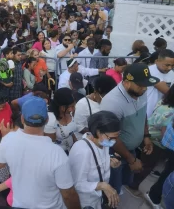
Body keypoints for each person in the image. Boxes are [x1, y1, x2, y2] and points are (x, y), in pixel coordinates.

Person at [0, 97, 81, 209]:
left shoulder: (8, 139)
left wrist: (3, 138)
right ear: (46, 120)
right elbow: (68, 194)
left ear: (22, 119)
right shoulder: (57, 153)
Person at [100, 63, 159, 194]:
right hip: (115, 153)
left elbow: (142, 114)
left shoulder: (140, 92)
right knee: (113, 187)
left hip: (130, 150)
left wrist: (146, 136)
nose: (144, 89)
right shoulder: (112, 103)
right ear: (126, 83)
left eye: (146, 85)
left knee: (124, 180)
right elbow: (110, 138)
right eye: (140, 85)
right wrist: (131, 159)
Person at [69, 111, 121, 209]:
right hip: (86, 202)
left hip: (98, 198)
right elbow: (77, 184)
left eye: (117, 137)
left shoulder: (103, 143)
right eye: (112, 138)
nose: (114, 141)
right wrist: (102, 186)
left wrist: (110, 164)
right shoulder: (82, 151)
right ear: (98, 132)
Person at [146, 120, 174, 208]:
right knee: (169, 173)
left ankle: (153, 195)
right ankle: (153, 196)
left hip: (170, 140)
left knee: (169, 170)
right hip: (172, 144)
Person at [45, 88, 77, 153]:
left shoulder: (69, 112)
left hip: (72, 150)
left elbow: (70, 132)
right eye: (72, 106)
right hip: (59, 153)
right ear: (62, 107)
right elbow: (50, 145)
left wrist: (76, 144)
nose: (74, 109)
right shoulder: (51, 121)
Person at [146, 49, 174, 117]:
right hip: (148, 111)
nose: (170, 68)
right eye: (167, 65)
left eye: (173, 65)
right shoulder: (148, 71)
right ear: (157, 61)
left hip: (163, 113)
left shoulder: (171, 73)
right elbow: (167, 91)